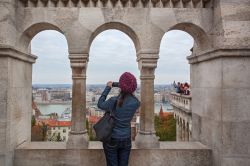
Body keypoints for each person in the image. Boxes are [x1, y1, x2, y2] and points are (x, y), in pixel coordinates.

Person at [97, 72, 140, 166]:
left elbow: (100, 104)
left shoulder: (114, 101)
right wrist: (121, 85)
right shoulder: (136, 102)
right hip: (126, 139)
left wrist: (108, 87)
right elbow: (128, 91)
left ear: (121, 86)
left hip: (112, 138)